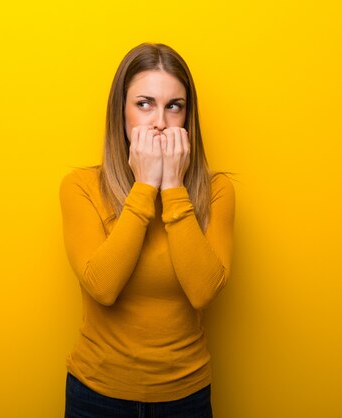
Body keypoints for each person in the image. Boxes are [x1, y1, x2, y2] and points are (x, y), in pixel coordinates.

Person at [59, 42, 235, 418]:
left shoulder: (217, 191)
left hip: (185, 397)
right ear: (120, 113)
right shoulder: (81, 187)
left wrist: (173, 187)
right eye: (144, 104)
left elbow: (204, 292)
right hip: (96, 396)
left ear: (188, 117)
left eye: (174, 106)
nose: (160, 121)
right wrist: (144, 187)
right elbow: (102, 288)